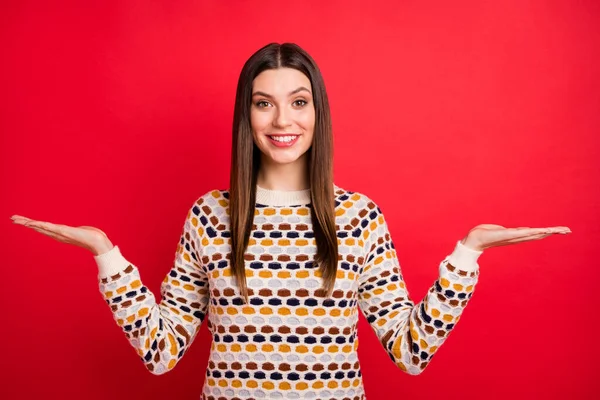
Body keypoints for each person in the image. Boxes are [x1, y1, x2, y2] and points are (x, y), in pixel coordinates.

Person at [11, 42, 571, 400]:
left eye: (298, 101)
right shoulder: (211, 215)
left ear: (317, 112)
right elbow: (161, 355)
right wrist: (106, 255)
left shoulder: (359, 217)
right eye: (264, 103)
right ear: (246, 116)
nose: (283, 119)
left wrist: (467, 254)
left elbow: (409, 352)